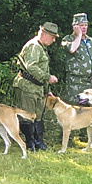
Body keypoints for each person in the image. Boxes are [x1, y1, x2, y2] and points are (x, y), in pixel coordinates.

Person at [13, 22, 59, 151]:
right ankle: (30, 143)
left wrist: (47, 90)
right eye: (52, 37)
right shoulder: (34, 46)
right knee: (28, 115)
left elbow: (42, 67)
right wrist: (48, 77)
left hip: (38, 88)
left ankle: (38, 141)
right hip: (28, 87)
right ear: (44, 34)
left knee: (38, 116)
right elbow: (31, 67)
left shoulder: (41, 47)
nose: (54, 40)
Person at [61, 13, 92, 105]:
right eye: (81, 25)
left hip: (89, 84)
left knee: (89, 112)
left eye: (86, 25)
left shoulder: (90, 40)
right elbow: (72, 49)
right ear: (75, 26)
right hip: (75, 83)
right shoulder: (68, 39)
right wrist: (78, 35)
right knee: (74, 111)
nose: (84, 28)